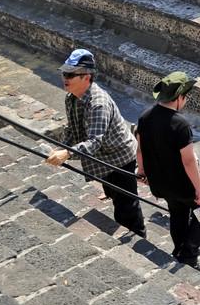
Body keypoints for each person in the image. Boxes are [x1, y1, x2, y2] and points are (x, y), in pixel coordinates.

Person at [46, 50, 145, 238]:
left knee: (126, 205)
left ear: (86, 77)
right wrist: (62, 148)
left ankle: (139, 237)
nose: (65, 78)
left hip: (119, 157)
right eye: (64, 73)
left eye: (70, 75)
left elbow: (94, 142)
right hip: (102, 157)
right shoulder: (71, 98)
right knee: (111, 190)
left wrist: (67, 154)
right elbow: (73, 129)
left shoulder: (98, 104)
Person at [136, 71, 200, 273]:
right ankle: (189, 254)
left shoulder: (145, 117)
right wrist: (199, 190)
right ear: (179, 98)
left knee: (178, 213)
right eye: (185, 97)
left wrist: (141, 171)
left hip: (160, 183)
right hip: (184, 185)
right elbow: (188, 161)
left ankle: (179, 250)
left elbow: (140, 149)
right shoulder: (180, 124)